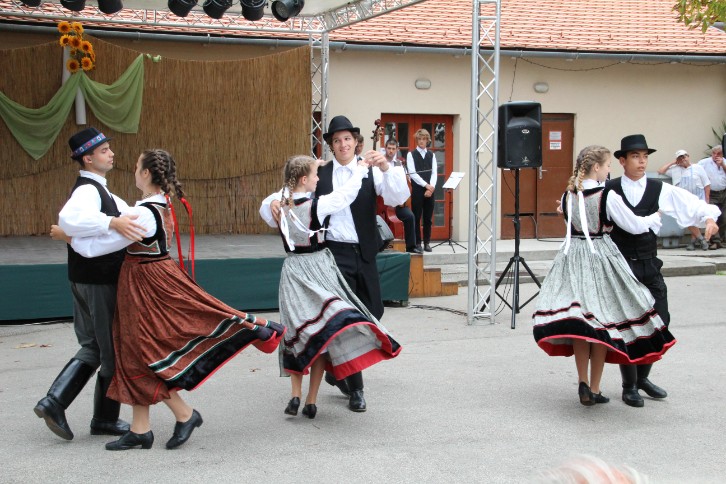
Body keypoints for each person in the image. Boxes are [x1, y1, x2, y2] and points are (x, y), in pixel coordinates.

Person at [52, 149, 285, 450]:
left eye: (137, 166)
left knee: (138, 352)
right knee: (135, 352)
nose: (133, 171)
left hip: (145, 285)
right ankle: (141, 427)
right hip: (150, 279)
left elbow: (97, 248)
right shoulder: (159, 205)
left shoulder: (142, 214)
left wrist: (67, 237)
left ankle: (182, 414)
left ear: (146, 173)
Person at [260, 115, 409, 411]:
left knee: (373, 311)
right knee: (346, 319)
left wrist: (386, 167)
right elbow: (290, 191)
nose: (343, 144)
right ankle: (356, 388)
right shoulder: (320, 173)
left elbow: (399, 196)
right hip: (332, 254)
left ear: (356, 142)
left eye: (347, 139)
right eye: (337, 140)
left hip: (365, 251)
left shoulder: (371, 170)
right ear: (331, 145)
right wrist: (272, 202)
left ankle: (336, 369)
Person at [533, 145, 675, 406]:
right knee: (603, 322)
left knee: (583, 324)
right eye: (608, 165)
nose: (609, 170)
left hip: (572, 260)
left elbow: (572, 224)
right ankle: (595, 388)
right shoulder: (606, 195)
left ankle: (583, 382)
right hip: (599, 258)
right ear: (596, 167)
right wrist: (654, 217)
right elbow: (634, 225)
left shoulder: (567, 195)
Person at [34, 127, 145, 441]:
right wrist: (111, 222)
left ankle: (62, 404)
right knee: (109, 349)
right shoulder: (88, 190)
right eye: (104, 150)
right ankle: (97, 417)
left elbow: (130, 215)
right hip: (98, 282)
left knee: (94, 347)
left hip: (86, 279)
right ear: (88, 158)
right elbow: (68, 220)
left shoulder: (100, 190)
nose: (111, 154)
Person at [607, 134, 719, 407]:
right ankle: (629, 386)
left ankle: (643, 378)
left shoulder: (660, 189)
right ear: (622, 161)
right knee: (628, 327)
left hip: (649, 264)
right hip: (621, 266)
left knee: (661, 321)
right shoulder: (609, 189)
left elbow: (692, 204)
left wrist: (709, 217)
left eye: (645, 156)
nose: (642, 161)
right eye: (635, 156)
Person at [657, 149, 711, 250]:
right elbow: (660, 171)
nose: (683, 159)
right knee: (688, 220)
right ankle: (701, 239)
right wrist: (673, 162)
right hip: (683, 201)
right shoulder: (675, 169)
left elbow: (706, 184)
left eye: (684, 156)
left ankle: (694, 242)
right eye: (680, 158)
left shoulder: (698, 168)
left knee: (696, 220)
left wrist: (707, 200)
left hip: (698, 198)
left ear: (688, 156)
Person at [381, 138, 419, 253]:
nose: (391, 151)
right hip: (384, 203)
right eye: (389, 148)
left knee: (410, 216)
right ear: (385, 148)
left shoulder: (399, 163)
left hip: (397, 203)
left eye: (393, 149)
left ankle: (411, 246)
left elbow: (403, 183)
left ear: (397, 149)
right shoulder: (381, 162)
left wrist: (406, 178)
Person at [406, 129, 438, 252]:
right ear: (417, 140)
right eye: (419, 139)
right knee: (416, 217)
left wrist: (431, 187)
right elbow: (413, 173)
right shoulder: (411, 154)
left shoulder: (431, 155)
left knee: (428, 218)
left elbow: (434, 173)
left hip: (430, 190)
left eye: (424, 139)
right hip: (418, 190)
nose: (421, 141)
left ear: (427, 140)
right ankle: (418, 243)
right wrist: (426, 185)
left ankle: (427, 242)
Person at [697, 145, 726, 249]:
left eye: (718, 154)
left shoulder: (724, 162)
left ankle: (720, 240)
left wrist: (722, 165)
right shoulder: (704, 163)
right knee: (712, 217)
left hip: (723, 193)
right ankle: (715, 241)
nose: (715, 155)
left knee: (723, 218)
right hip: (711, 193)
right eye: (714, 153)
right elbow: (695, 171)